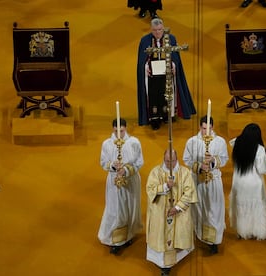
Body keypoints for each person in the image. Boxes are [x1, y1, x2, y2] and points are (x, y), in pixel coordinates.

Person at [137, 18, 196, 130]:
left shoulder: (171, 39)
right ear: (151, 30)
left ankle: (167, 115)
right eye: (155, 30)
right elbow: (141, 60)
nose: (158, 33)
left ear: (163, 28)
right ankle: (154, 118)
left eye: (160, 30)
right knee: (154, 95)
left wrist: (173, 65)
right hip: (152, 75)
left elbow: (175, 56)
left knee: (167, 92)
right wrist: (145, 68)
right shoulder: (145, 40)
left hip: (167, 72)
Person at [146, 149, 198, 276]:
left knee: (178, 239)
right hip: (161, 214)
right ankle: (163, 265)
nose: (170, 164)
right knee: (161, 238)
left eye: (173, 161)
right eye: (167, 161)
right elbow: (150, 190)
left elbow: (189, 192)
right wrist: (165, 187)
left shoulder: (185, 173)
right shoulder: (155, 172)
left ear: (177, 159)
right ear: (164, 159)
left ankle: (176, 259)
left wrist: (177, 207)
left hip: (178, 214)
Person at [182, 115, 229, 255]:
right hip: (198, 181)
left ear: (212, 127)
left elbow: (224, 159)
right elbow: (187, 159)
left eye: (208, 128)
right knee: (199, 209)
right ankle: (199, 234)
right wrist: (200, 166)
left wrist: (213, 161)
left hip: (214, 181)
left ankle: (214, 241)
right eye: (203, 128)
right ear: (199, 127)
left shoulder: (220, 141)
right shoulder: (192, 142)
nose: (206, 132)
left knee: (215, 210)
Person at [98, 118, 144, 255]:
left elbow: (139, 161)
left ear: (126, 128)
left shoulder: (134, 142)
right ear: (112, 129)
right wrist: (113, 166)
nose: (119, 134)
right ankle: (116, 241)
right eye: (116, 131)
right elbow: (103, 162)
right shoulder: (107, 144)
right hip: (114, 182)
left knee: (130, 207)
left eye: (122, 131)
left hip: (130, 180)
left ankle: (129, 235)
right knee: (116, 209)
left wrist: (127, 170)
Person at [229, 123, 266, 240]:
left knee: (241, 207)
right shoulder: (259, 150)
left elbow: (231, 142)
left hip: (239, 182)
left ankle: (242, 231)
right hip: (254, 184)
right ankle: (258, 231)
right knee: (256, 207)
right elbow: (263, 169)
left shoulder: (236, 143)